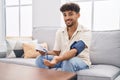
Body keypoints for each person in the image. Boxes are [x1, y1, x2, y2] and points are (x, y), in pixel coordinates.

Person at [35, 2, 91, 72]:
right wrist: (45, 52)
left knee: (67, 62)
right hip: (62, 59)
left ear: (78, 15)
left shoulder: (85, 31)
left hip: (80, 60)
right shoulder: (60, 32)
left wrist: (58, 59)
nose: (67, 18)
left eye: (70, 14)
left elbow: (75, 50)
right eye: (65, 15)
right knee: (40, 59)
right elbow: (56, 53)